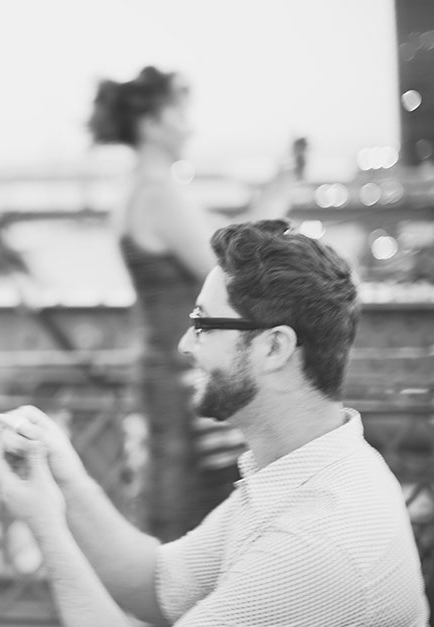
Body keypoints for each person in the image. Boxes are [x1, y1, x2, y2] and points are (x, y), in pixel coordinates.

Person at [0, 219, 429, 625]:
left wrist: (45, 524)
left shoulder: (316, 539)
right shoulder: (309, 472)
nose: (185, 344)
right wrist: (66, 480)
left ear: (274, 348)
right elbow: (156, 584)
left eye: (203, 323)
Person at [89, 67, 296, 539]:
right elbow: (233, 263)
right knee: (193, 512)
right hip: (182, 374)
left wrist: (274, 192)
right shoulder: (158, 194)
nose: (190, 126)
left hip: (167, 365)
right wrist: (280, 195)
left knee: (178, 501)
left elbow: (229, 238)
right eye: (180, 113)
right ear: (151, 122)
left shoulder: (143, 190)